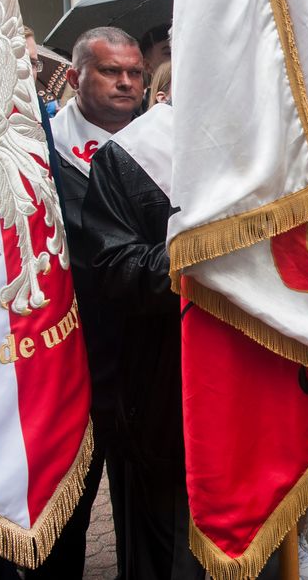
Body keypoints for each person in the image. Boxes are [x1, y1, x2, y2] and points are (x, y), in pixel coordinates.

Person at [79, 69, 202, 580]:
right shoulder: (128, 155)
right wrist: (197, 257)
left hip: (247, 383)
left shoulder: (259, 145)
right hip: (166, 390)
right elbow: (114, 267)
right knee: (171, 548)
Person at [38, 26, 145, 579]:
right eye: (110, 71)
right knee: (66, 513)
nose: (126, 83)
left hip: (140, 358)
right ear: (77, 75)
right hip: (68, 357)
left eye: (134, 73)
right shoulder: (42, 147)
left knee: (145, 511)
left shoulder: (158, 143)